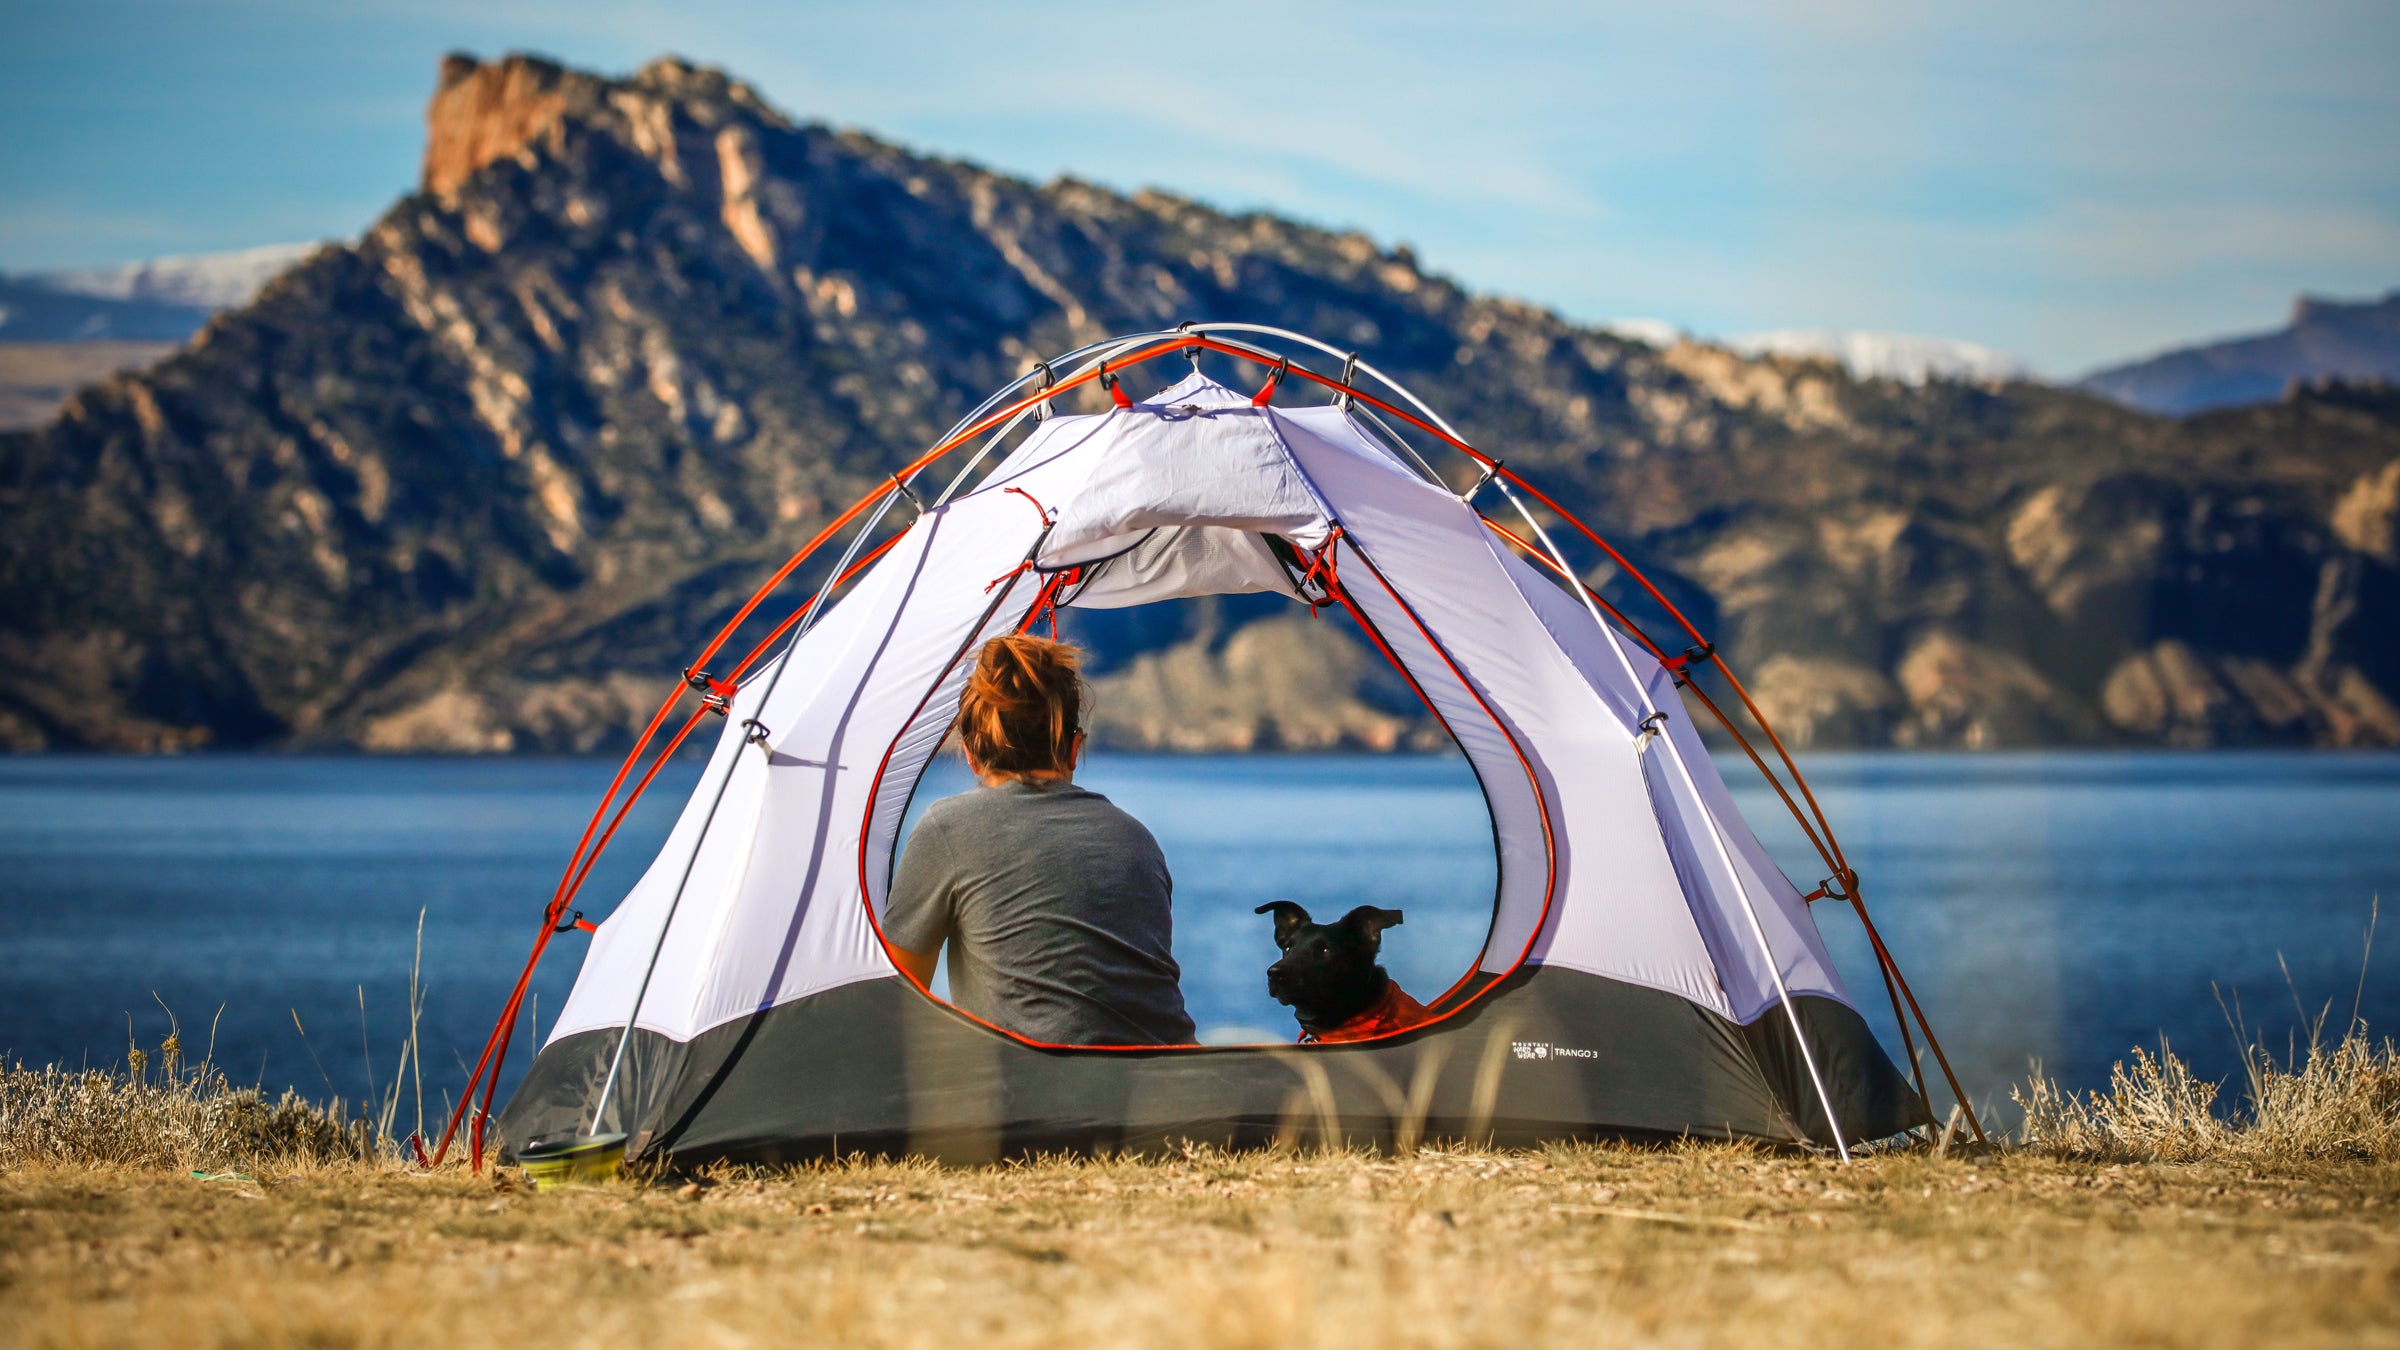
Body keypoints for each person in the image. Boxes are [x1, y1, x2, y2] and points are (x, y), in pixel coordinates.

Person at [883, 633, 1195, 1046]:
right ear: (1074, 748)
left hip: (1035, 1083)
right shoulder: (1136, 839)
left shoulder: (947, 828)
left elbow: (901, 1001)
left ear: (971, 754)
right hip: (1175, 1075)